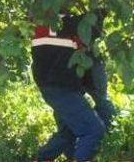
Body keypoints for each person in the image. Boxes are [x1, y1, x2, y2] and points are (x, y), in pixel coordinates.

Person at [31, 9, 108, 162]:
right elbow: (94, 30)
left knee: (68, 132)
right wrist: (102, 8)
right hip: (62, 88)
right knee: (94, 130)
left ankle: (42, 158)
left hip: (52, 86)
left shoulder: (38, 23)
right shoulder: (73, 23)